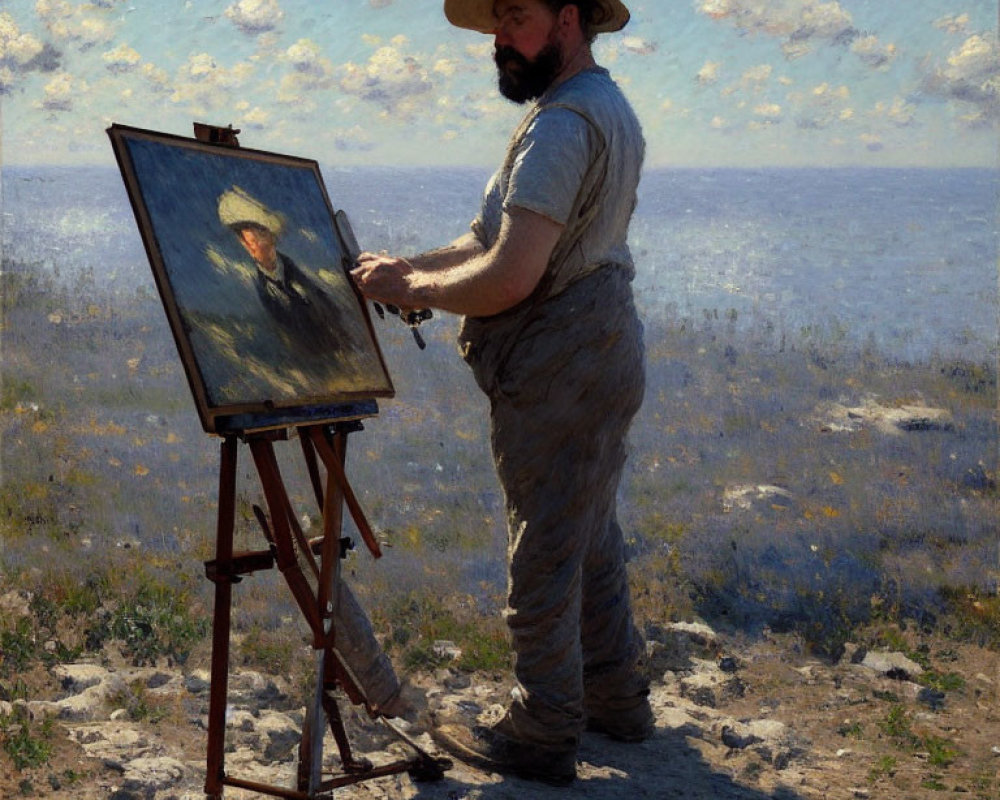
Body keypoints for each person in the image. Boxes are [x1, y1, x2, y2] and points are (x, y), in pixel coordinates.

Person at [350, 0, 651, 784]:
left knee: (545, 549)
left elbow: (511, 276)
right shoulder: (598, 107)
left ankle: (544, 728)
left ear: (568, 18)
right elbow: (489, 244)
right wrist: (404, 274)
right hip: (598, 350)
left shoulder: (561, 125)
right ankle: (617, 696)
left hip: (564, 361)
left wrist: (418, 286)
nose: (500, 39)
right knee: (587, 532)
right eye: (496, 22)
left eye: (516, 16)